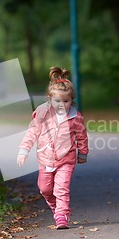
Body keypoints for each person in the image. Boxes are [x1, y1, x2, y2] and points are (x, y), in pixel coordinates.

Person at [17, 66, 89, 229]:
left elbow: (81, 136)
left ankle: (62, 215)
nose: (62, 104)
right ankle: (56, 208)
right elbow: (32, 133)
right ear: (49, 99)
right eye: (58, 101)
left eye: (66, 101)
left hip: (66, 159)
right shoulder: (42, 114)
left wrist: (82, 153)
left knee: (61, 188)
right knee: (45, 189)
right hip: (45, 159)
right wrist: (24, 150)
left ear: (72, 100)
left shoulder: (75, 117)